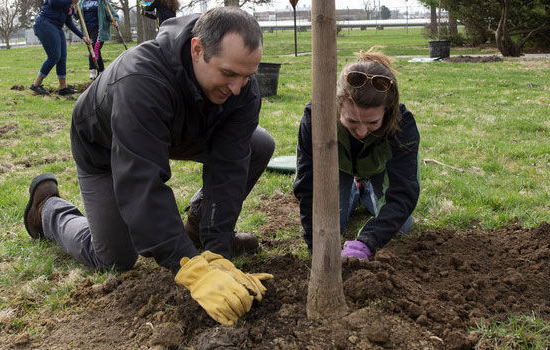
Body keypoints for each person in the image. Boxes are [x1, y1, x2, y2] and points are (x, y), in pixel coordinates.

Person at [22, 7, 275, 326]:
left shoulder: (241, 88)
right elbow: (142, 183)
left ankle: (197, 226)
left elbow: (230, 165)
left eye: (247, 76)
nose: (239, 88)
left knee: (257, 144)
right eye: (228, 74)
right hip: (103, 146)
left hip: (179, 130)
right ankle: (46, 210)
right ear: (197, 50)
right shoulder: (142, 79)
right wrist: (190, 268)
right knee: (115, 257)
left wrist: (217, 252)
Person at [293, 49, 420, 262]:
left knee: (401, 228)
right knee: (334, 227)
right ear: (337, 107)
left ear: (387, 112)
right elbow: (307, 186)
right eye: (351, 121)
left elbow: (403, 193)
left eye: (373, 123)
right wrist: (315, 244)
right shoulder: (316, 117)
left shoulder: (402, 125)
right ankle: (355, 191)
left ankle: (366, 190)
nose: (361, 132)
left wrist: (368, 241)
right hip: (337, 169)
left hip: (380, 169)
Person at [30, 0, 92, 96]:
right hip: (45, 23)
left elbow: (69, 22)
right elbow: (53, 3)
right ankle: (36, 85)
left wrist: (82, 36)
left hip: (57, 27)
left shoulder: (70, 6)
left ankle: (63, 87)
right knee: (54, 56)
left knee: (62, 57)